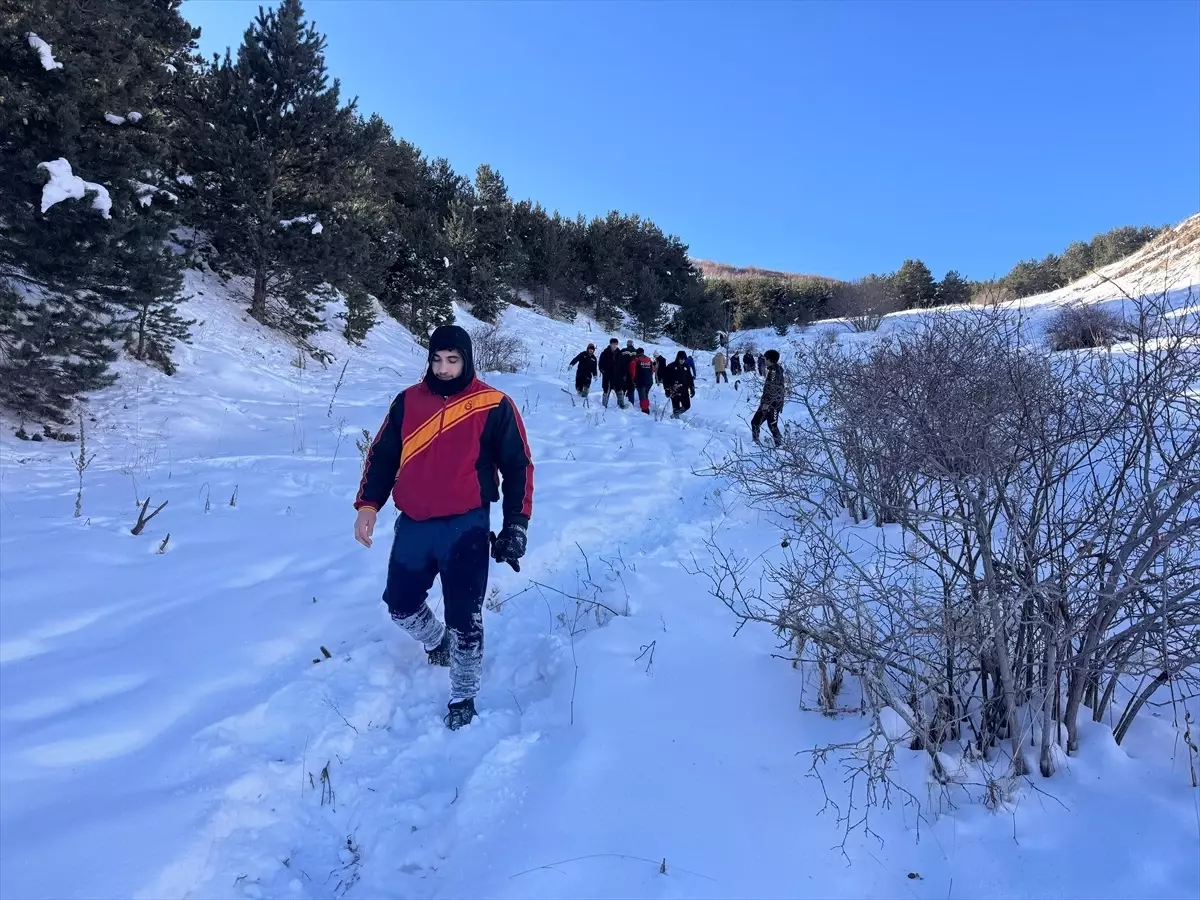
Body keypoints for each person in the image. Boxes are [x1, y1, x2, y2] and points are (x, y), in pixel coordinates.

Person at [353, 325, 534, 730]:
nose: (444, 368)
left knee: (465, 617)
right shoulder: (408, 402)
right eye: (437, 359)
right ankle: (437, 642)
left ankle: (463, 694)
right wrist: (368, 505)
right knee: (400, 605)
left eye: (453, 360)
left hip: (466, 525)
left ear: (467, 359)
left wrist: (516, 525)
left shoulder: (493, 403)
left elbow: (519, 466)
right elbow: (382, 456)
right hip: (414, 523)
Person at [751, 348, 785, 447]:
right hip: (769, 403)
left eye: (765, 359)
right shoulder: (773, 370)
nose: (764, 361)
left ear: (771, 360)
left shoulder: (774, 372)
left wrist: (766, 404)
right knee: (755, 422)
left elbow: (773, 389)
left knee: (772, 425)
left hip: (773, 404)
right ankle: (756, 442)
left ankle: (779, 445)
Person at [662, 350, 696, 418]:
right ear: (678, 358)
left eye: (683, 359)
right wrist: (667, 389)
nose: (682, 361)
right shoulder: (670, 366)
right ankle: (676, 421)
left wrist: (692, 388)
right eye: (681, 359)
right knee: (676, 407)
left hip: (684, 390)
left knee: (687, 406)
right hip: (674, 390)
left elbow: (689, 378)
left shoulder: (686, 367)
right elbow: (665, 379)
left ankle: (674, 416)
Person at [597, 338, 625, 408]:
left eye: (616, 344)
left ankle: (621, 406)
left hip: (617, 376)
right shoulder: (605, 353)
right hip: (607, 376)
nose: (614, 346)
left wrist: (623, 374)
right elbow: (600, 364)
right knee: (606, 391)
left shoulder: (620, 353)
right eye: (613, 344)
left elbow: (623, 365)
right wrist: (603, 371)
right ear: (610, 344)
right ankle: (604, 406)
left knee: (620, 391)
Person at [629, 346, 655, 414]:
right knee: (646, 395)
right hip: (649, 381)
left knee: (642, 396)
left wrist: (633, 379)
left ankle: (645, 410)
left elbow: (633, 371)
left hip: (640, 381)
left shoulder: (636, 360)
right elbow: (652, 371)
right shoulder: (649, 360)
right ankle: (646, 408)